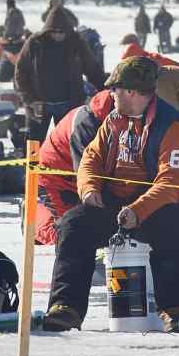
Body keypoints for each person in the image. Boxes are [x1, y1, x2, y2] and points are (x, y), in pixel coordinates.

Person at [42, 56, 179, 332]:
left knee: (174, 227)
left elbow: (172, 182)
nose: (111, 94)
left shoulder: (172, 126)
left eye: (115, 89)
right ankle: (66, 307)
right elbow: (90, 160)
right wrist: (89, 188)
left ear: (131, 92)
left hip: (157, 204)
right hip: (116, 203)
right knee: (73, 224)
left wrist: (138, 210)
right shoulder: (113, 120)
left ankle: (175, 309)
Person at [15, 7, 105, 142]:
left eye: (61, 32)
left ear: (67, 31)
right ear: (48, 30)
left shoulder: (76, 43)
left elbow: (92, 69)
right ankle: (33, 158)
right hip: (39, 104)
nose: (58, 35)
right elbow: (21, 73)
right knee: (34, 145)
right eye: (54, 32)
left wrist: (104, 88)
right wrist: (30, 100)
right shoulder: (35, 43)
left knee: (68, 144)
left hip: (68, 104)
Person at [36, 90, 114, 245]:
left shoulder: (127, 114)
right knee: (66, 233)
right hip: (55, 180)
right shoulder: (85, 123)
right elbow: (86, 170)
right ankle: (34, 215)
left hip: (78, 176)